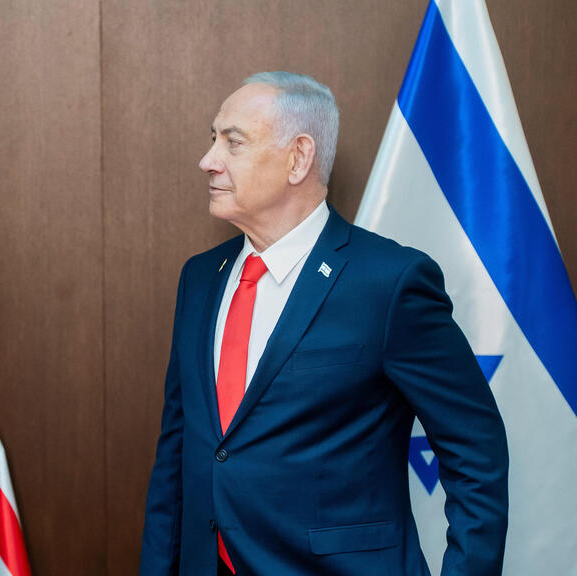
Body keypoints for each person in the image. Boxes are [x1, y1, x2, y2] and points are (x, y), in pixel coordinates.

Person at [139, 72, 508, 576]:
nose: (209, 160)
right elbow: (177, 455)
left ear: (298, 158)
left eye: (233, 142)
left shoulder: (389, 282)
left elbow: (476, 452)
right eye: (213, 139)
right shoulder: (201, 279)